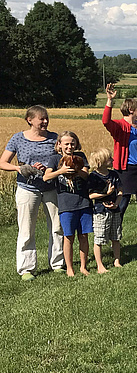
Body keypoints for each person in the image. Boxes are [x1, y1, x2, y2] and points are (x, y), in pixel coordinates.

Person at [0, 105, 64, 280]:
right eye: (41, 119)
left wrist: (48, 168)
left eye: (46, 118)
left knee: (57, 227)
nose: (45, 122)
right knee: (27, 229)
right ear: (30, 120)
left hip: (51, 188)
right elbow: (3, 162)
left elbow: (62, 160)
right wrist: (19, 168)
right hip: (27, 189)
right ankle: (27, 269)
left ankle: (57, 263)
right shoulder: (18, 139)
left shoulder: (54, 138)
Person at [102, 84, 137, 245]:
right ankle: (115, 235)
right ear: (131, 109)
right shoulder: (120, 126)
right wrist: (109, 100)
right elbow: (106, 121)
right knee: (122, 203)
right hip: (127, 171)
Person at [43, 131, 91, 277]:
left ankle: (83, 266)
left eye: (72, 143)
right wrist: (61, 171)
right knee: (68, 236)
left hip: (83, 202)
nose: (70, 146)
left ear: (76, 144)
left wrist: (77, 170)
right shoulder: (54, 159)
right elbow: (46, 177)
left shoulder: (80, 156)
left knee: (83, 236)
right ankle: (69, 268)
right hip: (66, 203)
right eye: (66, 144)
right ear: (59, 145)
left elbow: (86, 175)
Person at [87, 148, 123, 272]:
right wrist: (105, 194)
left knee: (116, 236)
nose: (112, 160)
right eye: (109, 158)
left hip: (114, 210)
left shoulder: (113, 174)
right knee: (99, 237)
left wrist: (116, 204)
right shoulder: (93, 177)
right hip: (100, 211)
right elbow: (91, 195)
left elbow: (120, 192)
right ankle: (100, 265)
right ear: (101, 161)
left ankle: (117, 260)